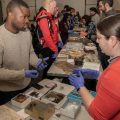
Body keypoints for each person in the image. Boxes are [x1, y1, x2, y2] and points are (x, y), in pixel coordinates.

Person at [69, 14, 120, 120]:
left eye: (99, 38)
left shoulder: (115, 72)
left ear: (112, 40)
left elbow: (98, 114)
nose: (97, 41)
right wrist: (99, 75)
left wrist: (80, 87)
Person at [0, 0, 48, 105]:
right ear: (10, 13)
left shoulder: (26, 32)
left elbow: (30, 53)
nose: (27, 21)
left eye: (28, 16)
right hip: (7, 92)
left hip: (26, 85)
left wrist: (37, 62)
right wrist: (22, 73)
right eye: (24, 16)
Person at [97, 0, 116, 70]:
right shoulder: (106, 14)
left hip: (107, 47)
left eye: (101, 6)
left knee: (106, 67)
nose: (99, 8)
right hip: (104, 45)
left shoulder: (112, 16)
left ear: (107, 5)